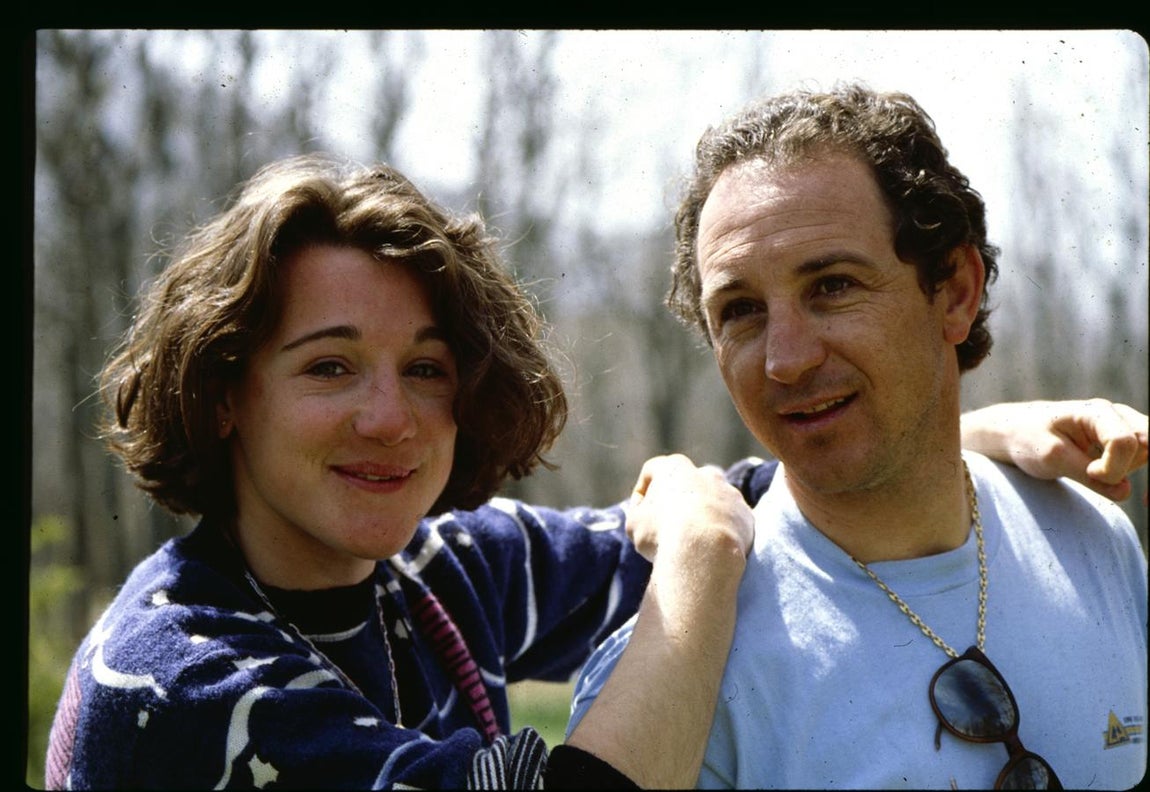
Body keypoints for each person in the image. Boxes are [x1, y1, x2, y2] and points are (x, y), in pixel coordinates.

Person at [44, 154, 1142, 790]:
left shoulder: (438, 574)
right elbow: (702, 541)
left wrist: (958, 423)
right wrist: (705, 553)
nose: (391, 418)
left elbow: (766, 491)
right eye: (330, 365)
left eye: (426, 368)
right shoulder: (178, 686)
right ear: (226, 390)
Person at [568, 84, 1149, 789]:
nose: (787, 358)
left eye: (833, 286)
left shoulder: (1090, 536)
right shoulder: (674, 684)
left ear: (956, 291)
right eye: (741, 310)